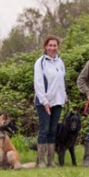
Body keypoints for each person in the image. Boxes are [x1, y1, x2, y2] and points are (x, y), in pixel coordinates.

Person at [34, 35, 67, 168]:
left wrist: (64, 95)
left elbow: (61, 81)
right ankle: (41, 160)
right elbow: (38, 83)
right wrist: (44, 101)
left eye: (55, 45)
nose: (52, 48)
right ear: (45, 47)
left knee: (53, 130)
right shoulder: (40, 62)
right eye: (50, 45)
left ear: (58, 47)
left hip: (58, 101)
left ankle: (51, 160)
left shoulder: (60, 62)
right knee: (44, 129)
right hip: (44, 102)